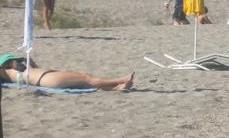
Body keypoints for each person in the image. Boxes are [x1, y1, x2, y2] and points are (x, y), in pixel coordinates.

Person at [0, 54, 133, 91]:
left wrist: (30, 62)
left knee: (84, 82)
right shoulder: (7, 72)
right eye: (13, 60)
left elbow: (35, 68)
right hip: (47, 78)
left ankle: (117, 88)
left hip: (48, 76)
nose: (18, 61)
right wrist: (13, 63)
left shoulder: (19, 70)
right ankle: (119, 80)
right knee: (86, 77)